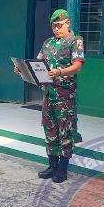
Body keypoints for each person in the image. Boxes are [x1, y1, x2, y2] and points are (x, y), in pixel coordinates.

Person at [34, 9, 84, 183]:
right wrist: (23, 69)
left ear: (67, 23)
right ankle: (52, 165)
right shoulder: (47, 43)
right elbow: (38, 63)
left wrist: (60, 72)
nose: (56, 29)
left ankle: (62, 169)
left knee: (65, 132)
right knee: (50, 130)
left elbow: (77, 66)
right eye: (53, 26)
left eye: (59, 25)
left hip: (64, 96)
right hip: (48, 94)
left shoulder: (75, 41)